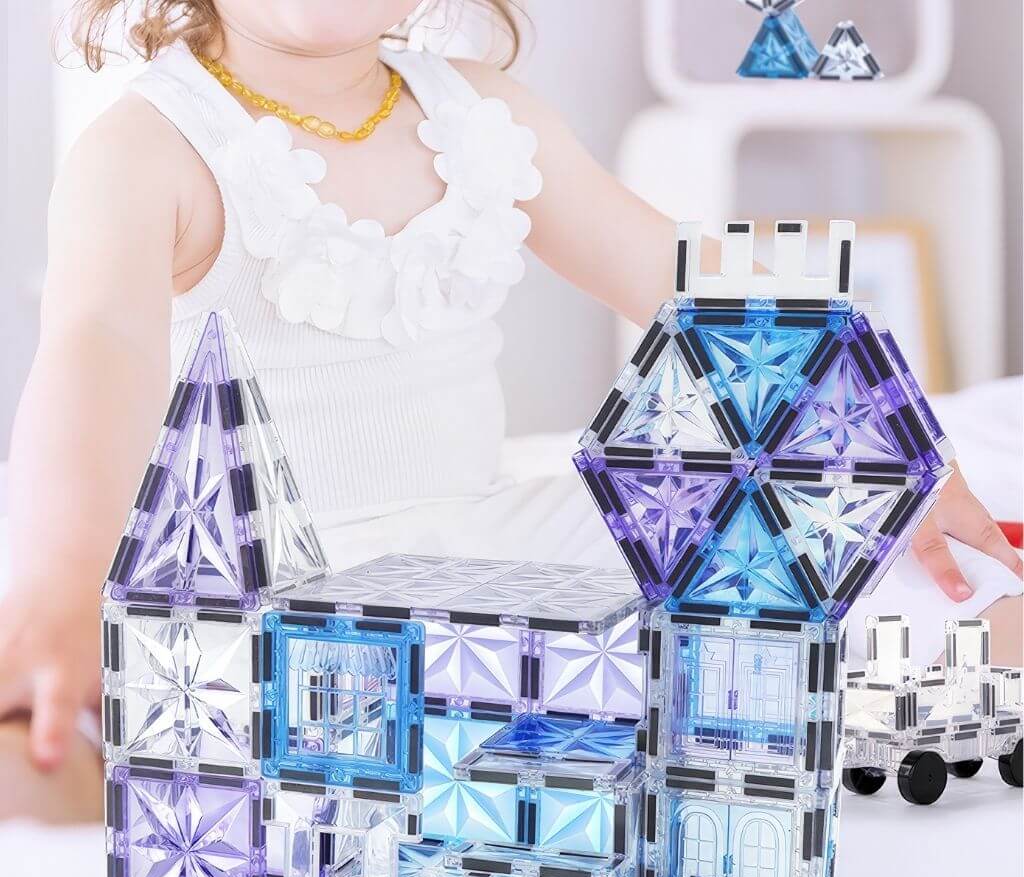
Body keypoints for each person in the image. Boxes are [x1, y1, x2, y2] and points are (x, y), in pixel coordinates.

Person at [0, 0, 1020, 823]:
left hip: (483, 546)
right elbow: (99, 354)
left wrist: (886, 439)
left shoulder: (485, 116)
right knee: (71, 745)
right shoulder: (146, 149)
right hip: (269, 580)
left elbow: (691, 286)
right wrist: (57, 589)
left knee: (889, 551)